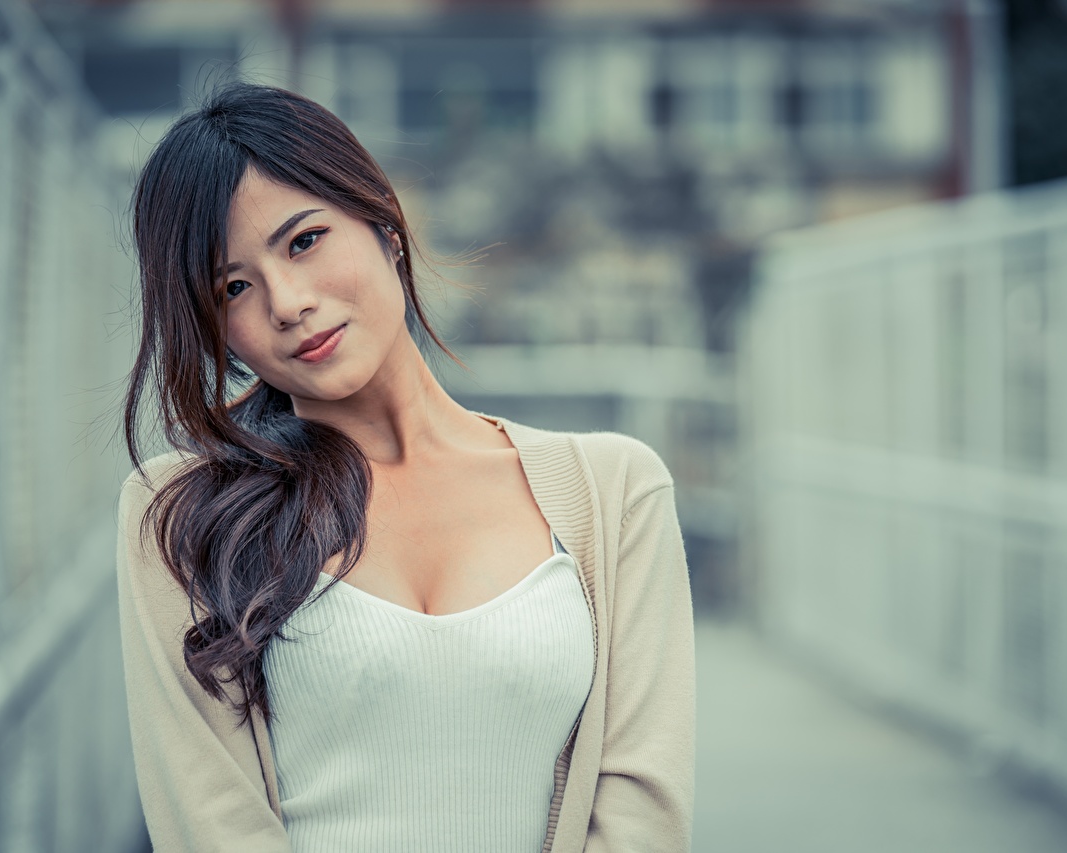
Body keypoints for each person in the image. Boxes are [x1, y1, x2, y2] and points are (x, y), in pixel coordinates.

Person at [115, 80, 696, 853]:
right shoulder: (183, 511)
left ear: (384, 223)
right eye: (234, 287)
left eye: (304, 240)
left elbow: (641, 809)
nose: (287, 301)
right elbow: (211, 821)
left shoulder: (615, 491)